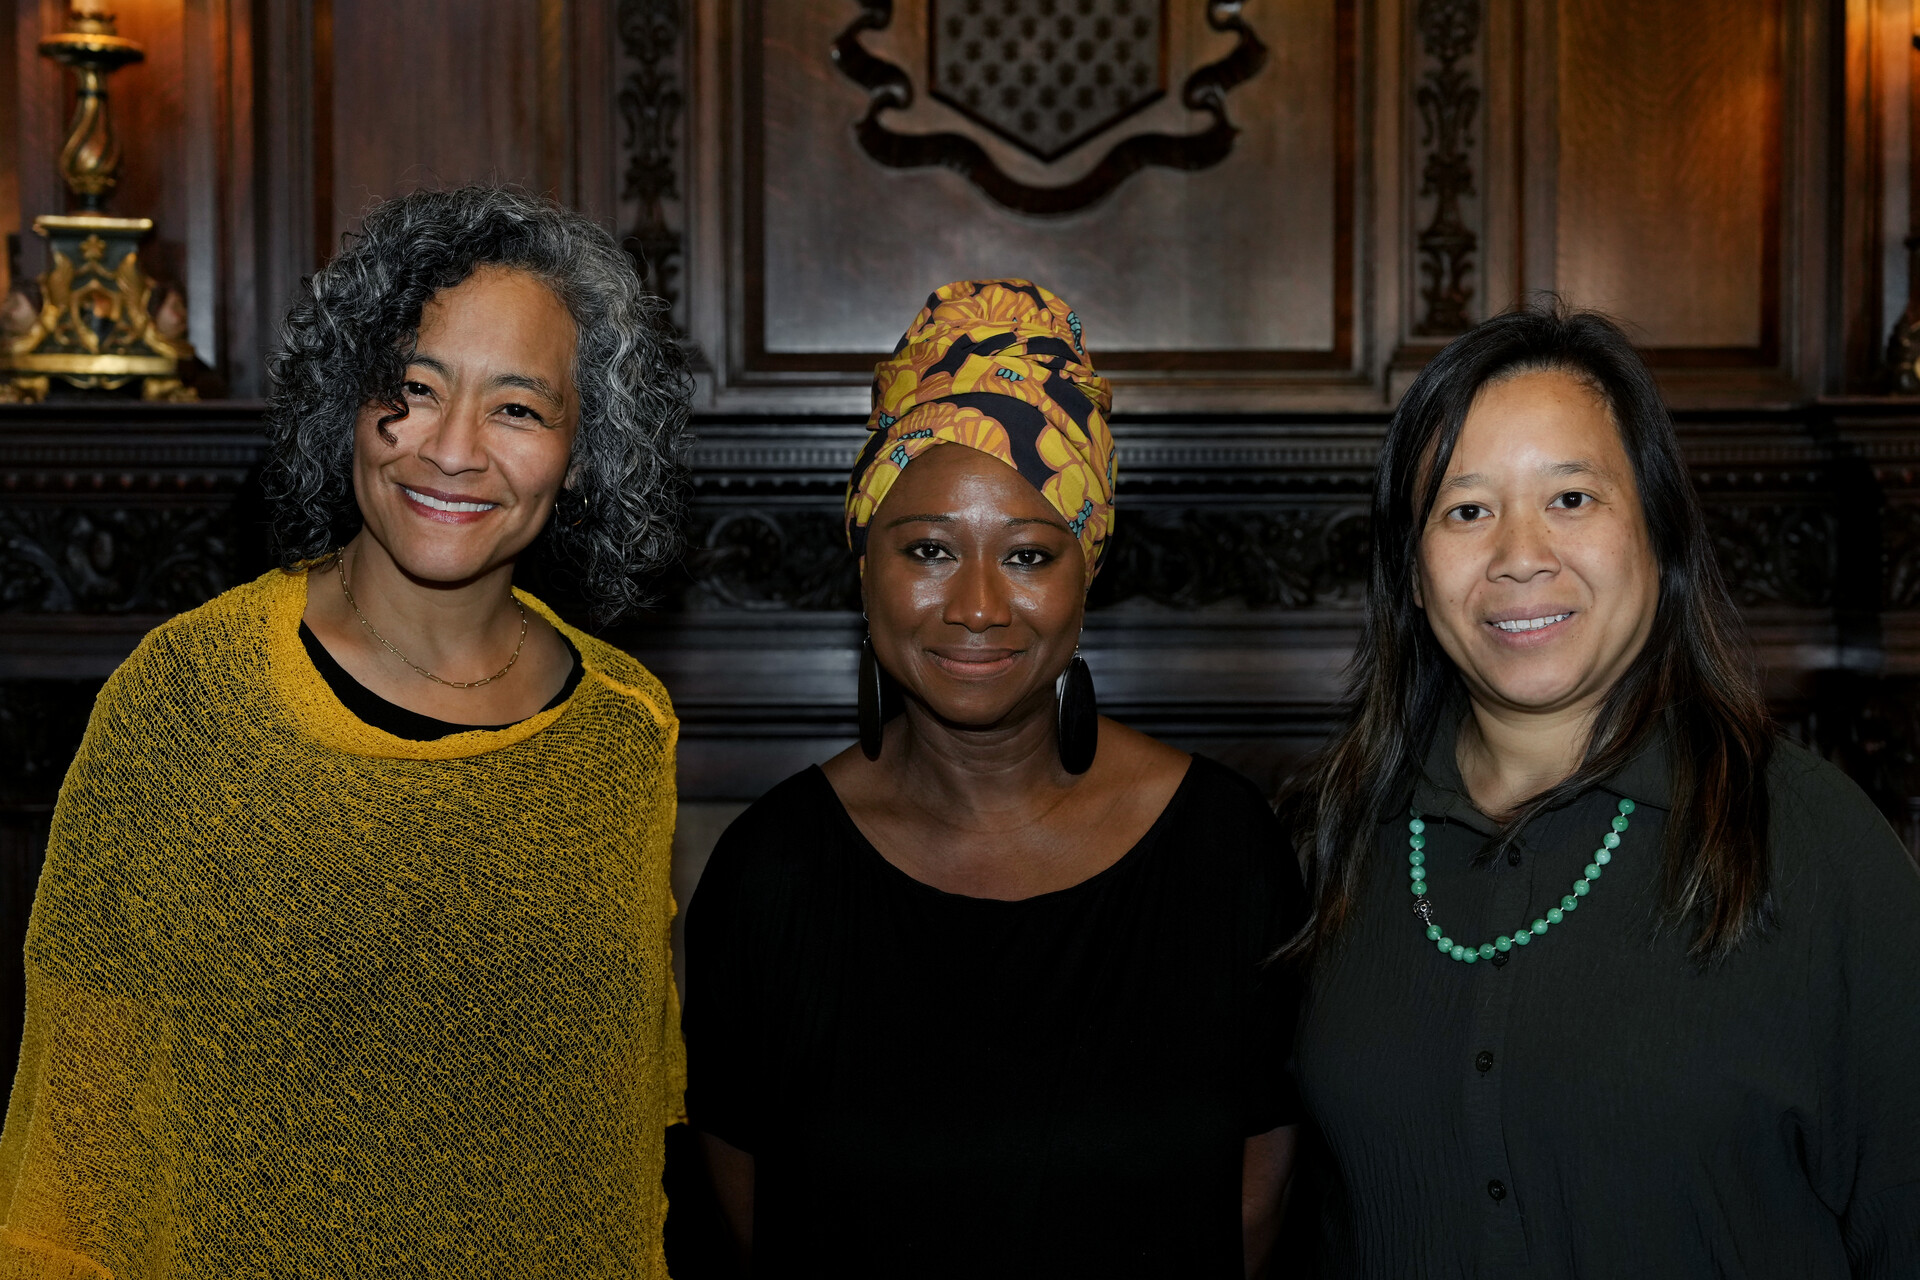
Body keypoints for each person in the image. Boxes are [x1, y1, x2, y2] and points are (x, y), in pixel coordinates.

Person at [0, 185, 692, 1277]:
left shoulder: (624, 730)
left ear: (583, 446)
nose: (454, 449)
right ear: (345, 402)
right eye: (412, 390)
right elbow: (76, 1144)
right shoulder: (186, 698)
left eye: (518, 407)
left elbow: (615, 1141)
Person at [681, 279, 1308, 1279]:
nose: (977, 605)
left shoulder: (1223, 849)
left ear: (1085, 568)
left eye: (1027, 552)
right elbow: (750, 1205)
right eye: (928, 548)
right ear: (864, 561)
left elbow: (1264, 1183)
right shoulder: (771, 874)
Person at [1283, 303, 1920, 1278]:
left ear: (1659, 535)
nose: (1520, 553)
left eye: (1572, 497)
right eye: (1465, 508)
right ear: (1410, 572)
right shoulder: (1337, 842)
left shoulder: (1819, 845)